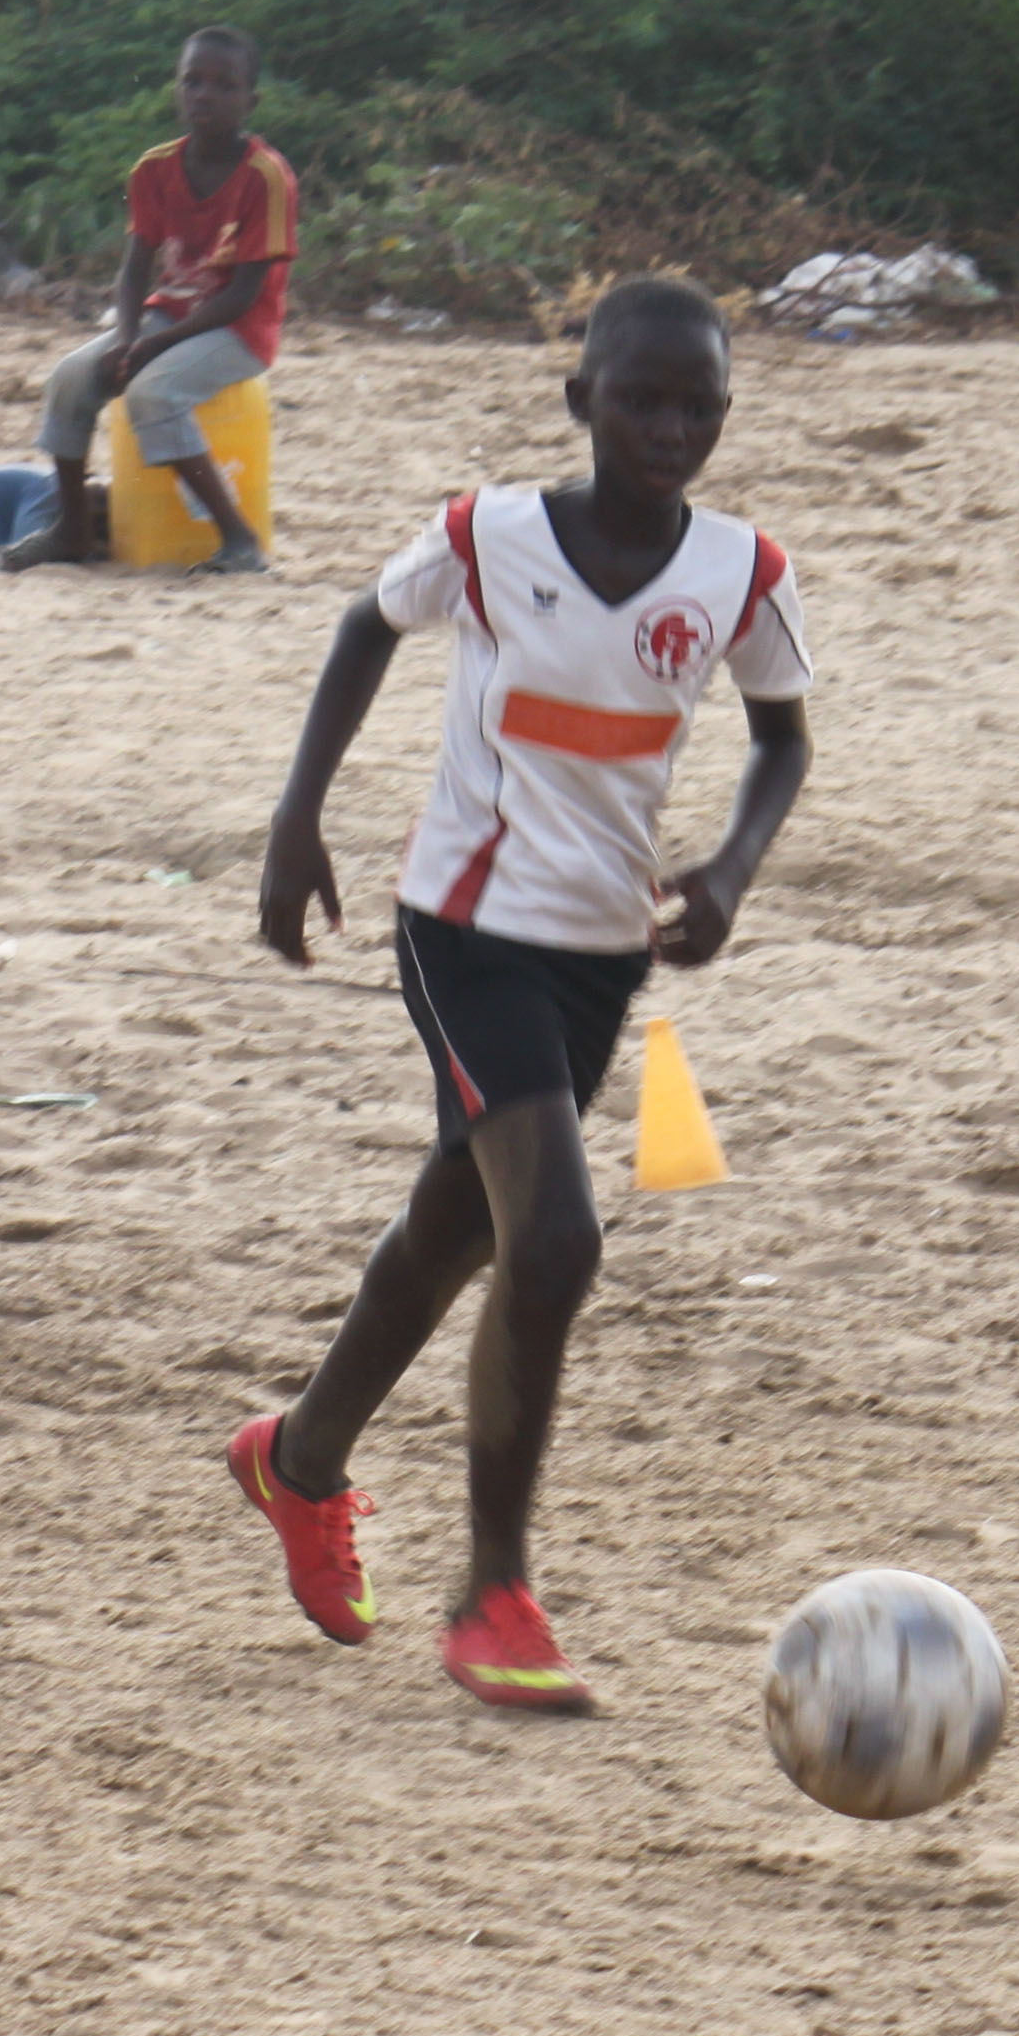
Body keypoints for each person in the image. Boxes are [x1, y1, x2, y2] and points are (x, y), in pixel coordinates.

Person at [237, 278, 813, 1712]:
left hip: (601, 952)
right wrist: (298, 818)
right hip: (463, 928)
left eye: (698, 407)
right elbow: (367, 626)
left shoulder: (740, 572)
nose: (669, 428)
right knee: (553, 1239)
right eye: (640, 399)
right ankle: (494, 1590)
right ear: (580, 402)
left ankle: (299, 1460)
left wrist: (733, 866)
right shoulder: (488, 538)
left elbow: (782, 738)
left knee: (461, 1228)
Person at [0, 27, 296, 575]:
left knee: (152, 391)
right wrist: (129, 337)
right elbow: (134, 269)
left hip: (240, 330)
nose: (204, 95)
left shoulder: (266, 177)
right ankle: (72, 529)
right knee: (70, 379)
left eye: (224, 85)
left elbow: (244, 293)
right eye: (192, 81)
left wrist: (155, 346)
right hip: (167, 315)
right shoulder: (155, 169)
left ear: (249, 101)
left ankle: (239, 539)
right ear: (176, 89)